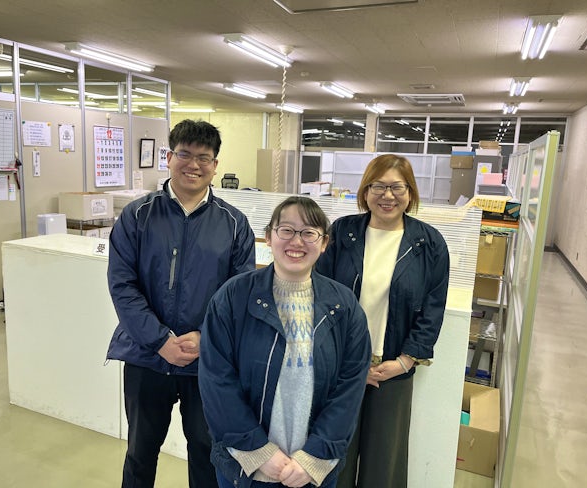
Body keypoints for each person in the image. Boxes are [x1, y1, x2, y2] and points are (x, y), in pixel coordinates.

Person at [106, 119, 256, 488]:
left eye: (204, 158)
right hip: (147, 357)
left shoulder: (234, 224)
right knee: (140, 451)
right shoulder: (137, 216)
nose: (193, 165)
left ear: (215, 165)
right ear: (169, 158)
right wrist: (160, 340)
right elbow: (122, 285)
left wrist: (206, 338)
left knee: (207, 452)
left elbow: (239, 295)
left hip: (207, 362)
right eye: (184, 154)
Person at [198, 196, 372, 488]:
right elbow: (216, 379)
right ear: (268, 237)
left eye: (309, 233)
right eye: (287, 230)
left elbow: (350, 387)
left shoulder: (344, 305)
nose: (297, 241)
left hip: (313, 472)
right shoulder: (233, 296)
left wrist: (314, 457)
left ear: (324, 243)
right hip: (245, 468)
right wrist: (258, 451)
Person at [316, 154, 450, 488]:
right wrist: (344, 362)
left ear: (410, 192)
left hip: (393, 369)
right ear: (365, 190)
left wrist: (404, 361)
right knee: (334, 456)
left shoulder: (429, 243)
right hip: (342, 367)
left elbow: (433, 308)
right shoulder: (343, 232)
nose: (387, 195)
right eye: (378, 186)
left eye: (397, 187)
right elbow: (320, 297)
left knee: (383, 464)